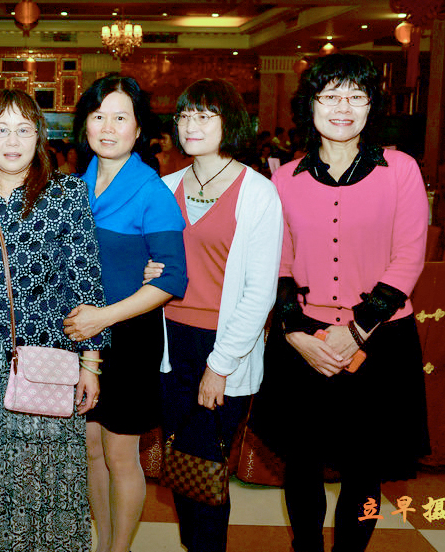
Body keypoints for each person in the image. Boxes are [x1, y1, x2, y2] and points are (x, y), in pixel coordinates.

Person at [262, 52, 429, 552]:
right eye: (331, 96)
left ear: (371, 106)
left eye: (357, 97)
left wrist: (355, 331)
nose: (343, 108)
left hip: (380, 342)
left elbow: (408, 257)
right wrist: (295, 333)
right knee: (301, 462)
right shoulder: (285, 178)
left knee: (365, 467)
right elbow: (277, 261)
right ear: (309, 105)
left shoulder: (400, 169)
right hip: (304, 339)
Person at [0, 89, 108, 551]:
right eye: (2, 129)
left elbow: (85, 282)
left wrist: (91, 364)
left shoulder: (67, 194)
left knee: (47, 489)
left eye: (24, 130)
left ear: (39, 137)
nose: (12, 141)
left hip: (47, 369)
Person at [146, 78, 283, 552]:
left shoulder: (258, 193)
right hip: (169, 344)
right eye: (185, 115)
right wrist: (148, 269)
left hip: (223, 347)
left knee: (206, 467)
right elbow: (154, 263)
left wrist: (220, 365)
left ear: (230, 123)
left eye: (205, 116)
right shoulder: (165, 187)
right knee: (181, 466)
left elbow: (260, 292)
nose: (192, 125)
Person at [61, 74, 187, 552]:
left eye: (120, 117)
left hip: (129, 336)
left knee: (119, 452)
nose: (108, 127)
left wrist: (105, 316)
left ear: (138, 129)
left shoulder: (151, 191)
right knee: (89, 448)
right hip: (80, 334)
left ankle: (119, 549)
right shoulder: (74, 186)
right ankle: (102, 544)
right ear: (85, 125)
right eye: (99, 116)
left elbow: (172, 279)